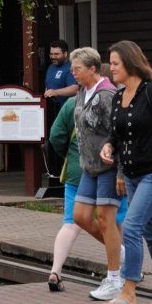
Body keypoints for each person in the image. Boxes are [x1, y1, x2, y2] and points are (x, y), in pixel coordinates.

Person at [99, 40, 152, 304]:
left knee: (132, 228)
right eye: (111, 63)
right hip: (132, 174)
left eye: (115, 64)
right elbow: (116, 134)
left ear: (130, 63)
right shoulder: (118, 97)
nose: (111, 68)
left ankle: (128, 292)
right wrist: (109, 146)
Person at [47, 89, 127, 292]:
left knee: (70, 224)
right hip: (105, 170)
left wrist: (69, 153)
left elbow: (55, 135)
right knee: (114, 221)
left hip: (76, 169)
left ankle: (55, 271)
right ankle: (121, 266)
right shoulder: (113, 101)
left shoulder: (71, 103)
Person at [69, 46, 122, 302]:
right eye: (72, 69)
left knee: (104, 219)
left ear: (92, 69)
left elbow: (119, 132)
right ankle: (123, 253)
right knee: (80, 216)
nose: (73, 73)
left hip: (108, 166)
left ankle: (115, 278)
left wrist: (120, 169)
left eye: (77, 69)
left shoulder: (107, 94)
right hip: (89, 165)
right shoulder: (82, 92)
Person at [44, 40, 77, 117]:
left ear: (65, 54)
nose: (53, 57)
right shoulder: (50, 67)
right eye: (51, 54)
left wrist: (55, 92)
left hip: (67, 113)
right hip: (51, 113)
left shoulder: (71, 67)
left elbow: (75, 89)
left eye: (56, 54)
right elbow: (48, 86)